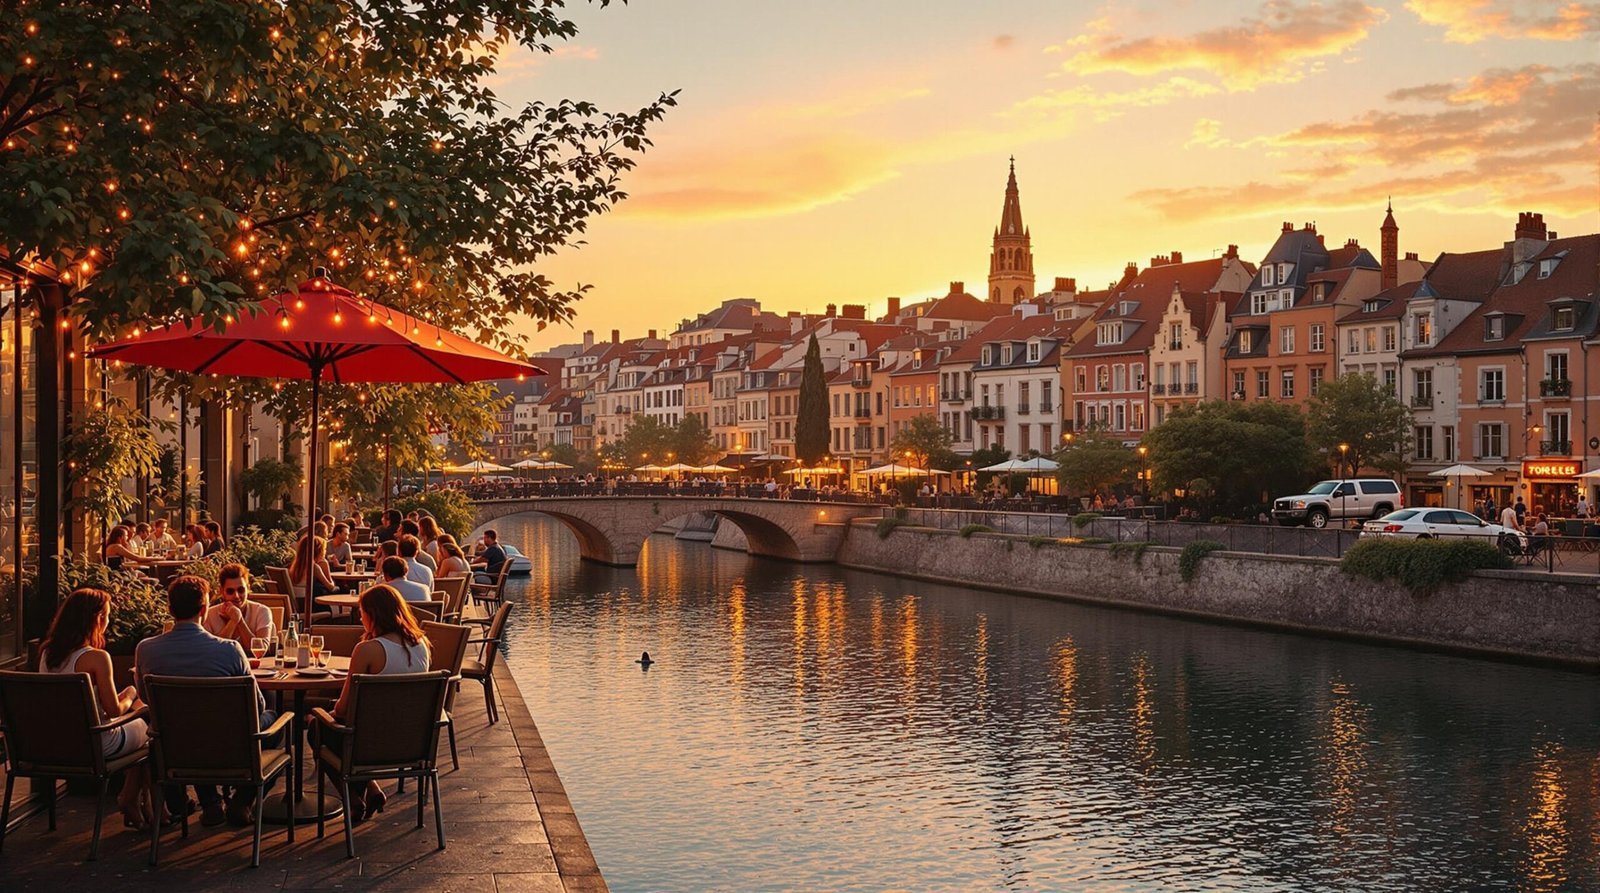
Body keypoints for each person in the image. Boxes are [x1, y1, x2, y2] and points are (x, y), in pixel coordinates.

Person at [134, 575, 274, 828]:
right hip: (229, 747)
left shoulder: (146, 649)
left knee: (193, 725)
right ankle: (242, 800)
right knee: (273, 720)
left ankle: (210, 804)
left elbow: (145, 697)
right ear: (203, 610)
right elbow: (257, 706)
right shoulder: (230, 650)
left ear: (170, 609)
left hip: (175, 748)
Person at [39, 588, 152, 829]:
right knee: (151, 729)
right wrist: (131, 694)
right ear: (98, 618)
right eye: (108, 616)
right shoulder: (97, 658)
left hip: (56, 743)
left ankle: (133, 800)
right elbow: (114, 711)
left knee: (142, 724)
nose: (108, 622)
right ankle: (138, 801)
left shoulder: (47, 654)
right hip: (97, 744)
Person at [323, 584, 431, 822]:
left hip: (368, 744)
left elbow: (343, 709)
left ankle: (353, 799)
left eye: (361, 613)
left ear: (372, 615)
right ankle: (371, 789)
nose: (360, 618)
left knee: (317, 727)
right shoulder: (422, 645)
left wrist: (327, 713)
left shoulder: (367, 650)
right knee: (338, 725)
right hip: (412, 741)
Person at [202, 563, 276, 651]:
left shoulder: (261, 611)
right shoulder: (209, 615)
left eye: (241, 590)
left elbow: (261, 648)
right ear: (221, 591)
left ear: (248, 588)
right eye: (230, 591)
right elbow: (213, 651)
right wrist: (233, 621)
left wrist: (240, 621)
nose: (236, 596)